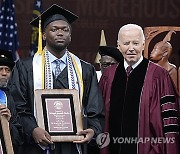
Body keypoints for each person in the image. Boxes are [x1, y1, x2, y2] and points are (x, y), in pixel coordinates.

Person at [7, 4, 104, 154]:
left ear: (70, 36)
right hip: (36, 145)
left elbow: (95, 108)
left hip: (73, 145)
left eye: (65, 30)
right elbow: (18, 105)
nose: (60, 33)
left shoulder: (85, 69)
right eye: (54, 29)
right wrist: (32, 129)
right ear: (44, 35)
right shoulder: (25, 68)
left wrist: (92, 129)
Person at [99, 24, 180, 154]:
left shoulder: (159, 76)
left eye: (135, 43)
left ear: (143, 44)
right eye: (126, 43)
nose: (131, 48)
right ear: (118, 46)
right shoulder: (109, 76)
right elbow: (100, 118)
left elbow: (169, 123)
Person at [0, 49, 23, 153]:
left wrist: (8, 123)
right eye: (0, 69)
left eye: (7, 70)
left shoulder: (12, 98)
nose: (4, 73)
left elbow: (19, 139)